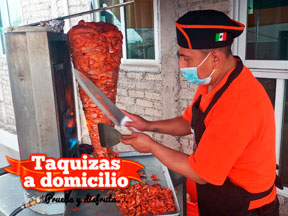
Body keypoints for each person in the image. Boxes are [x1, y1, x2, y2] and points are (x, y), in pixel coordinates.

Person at [120, 10, 279, 216]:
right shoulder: (215, 81)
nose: (180, 65)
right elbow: (190, 121)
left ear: (215, 58)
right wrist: (148, 125)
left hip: (245, 207)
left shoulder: (237, 104)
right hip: (219, 193)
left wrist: (150, 146)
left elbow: (200, 172)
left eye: (186, 58)